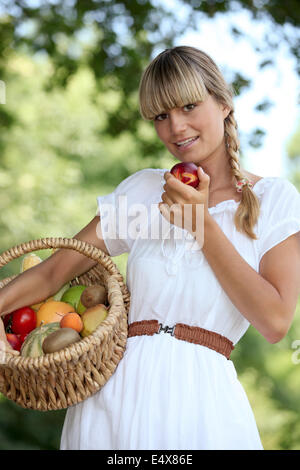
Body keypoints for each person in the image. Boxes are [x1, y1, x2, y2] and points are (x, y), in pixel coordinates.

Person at [0, 45, 300, 450]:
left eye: (189, 107)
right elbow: (54, 272)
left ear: (224, 104)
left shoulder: (274, 200)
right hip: (109, 400)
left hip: (201, 405)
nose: (176, 128)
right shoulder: (144, 191)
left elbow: (275, 321)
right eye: (161, 116)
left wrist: (203, 226)